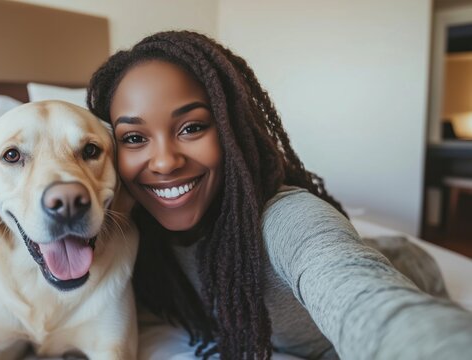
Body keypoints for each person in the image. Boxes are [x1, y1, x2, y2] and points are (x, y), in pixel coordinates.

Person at [87, 30, 472, 359]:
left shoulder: (289, 219)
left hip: (404, 264)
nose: (166, 162)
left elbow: (370, 301)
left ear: (231, 128)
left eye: (191, 128)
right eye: (134, 138)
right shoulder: (127, 229)